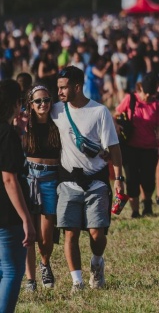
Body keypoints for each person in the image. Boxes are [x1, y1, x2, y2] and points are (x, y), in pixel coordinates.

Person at [51, 66, 124, 291]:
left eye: (64, 88)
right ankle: (77, 282)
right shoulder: (56, 109)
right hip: (68, 181)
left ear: (77, 87)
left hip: (96, 181)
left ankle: (97, 262)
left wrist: (119, 178)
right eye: (58, 88)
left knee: (97, 233)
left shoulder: (99, 111)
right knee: (70, 232)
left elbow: (113, 147)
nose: (60, 92)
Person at [21, 85, 62, 291]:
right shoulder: (25, 125)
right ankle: (31, 280)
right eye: (38, 101)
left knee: (46, 235)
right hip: (29, 178)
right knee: (29, 233)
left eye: (46, 100)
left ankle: (45, 263)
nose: (43, 104)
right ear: (30, 104)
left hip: (51, 179)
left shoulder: (58, 123)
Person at [0, 80, 36, 310]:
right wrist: (26, 219)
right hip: (7, 213)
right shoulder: (7, 135)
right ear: (14, 103)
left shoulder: (10, 133)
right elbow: (9, 179)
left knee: (2, 269)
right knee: (12, 270)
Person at [114, 75, 159, 218]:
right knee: (132, 180)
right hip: (130, 147)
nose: (148, 96)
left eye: (151, 94)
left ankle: (147, 203)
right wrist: (117, 126)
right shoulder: (130, 99)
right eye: (146, 93)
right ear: (140, 88)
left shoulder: (157, 105)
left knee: (148, 180)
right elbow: (116, 114)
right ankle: (135, 211)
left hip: (149, 148)